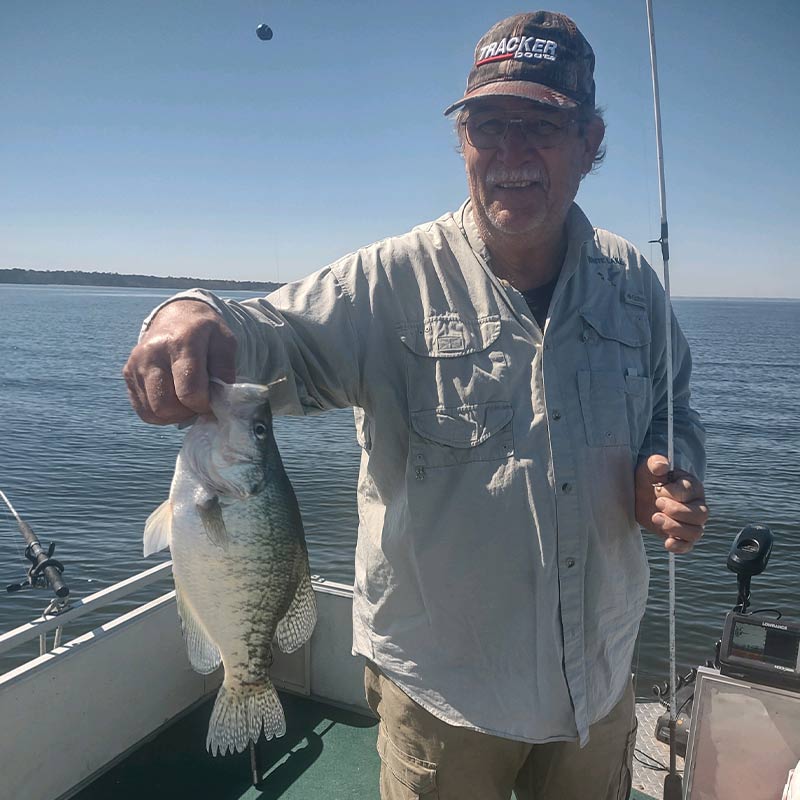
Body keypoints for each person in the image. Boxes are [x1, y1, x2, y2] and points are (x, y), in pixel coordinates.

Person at [123, 10, 708, 799]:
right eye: (487, 125)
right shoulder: (388, 282)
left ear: (591, 141)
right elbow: (272, 337)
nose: (510, 153)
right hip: (443, 697)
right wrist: (190, 314)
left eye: (539, 125)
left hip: (597, 685)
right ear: (461, 139)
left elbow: (673, 402)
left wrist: (666, 470)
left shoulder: (633, 282)